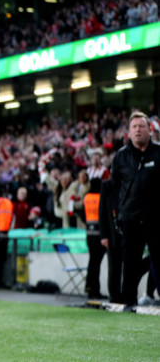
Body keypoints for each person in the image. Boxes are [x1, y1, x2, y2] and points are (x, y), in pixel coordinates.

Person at [110, 111, 160, 310]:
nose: (138, 130)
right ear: (129, 132)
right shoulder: (121, 156)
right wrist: (116, 217)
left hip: (156, 219)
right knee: (129, 264)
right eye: (134, 127)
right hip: (130, 218)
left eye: (141, 126)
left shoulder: (159, 152)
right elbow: (114, 189)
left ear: (149, 129)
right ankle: (128, 303)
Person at [98, 177, 122, 303]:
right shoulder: (107, 186)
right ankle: (114, 295)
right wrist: (104, 235)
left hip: (126, 230)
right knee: (114, 265)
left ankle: (125, 295)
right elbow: (102, 212)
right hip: (112, 233)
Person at [83, 178, 106, 299]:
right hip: (100, 235)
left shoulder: (87, 198)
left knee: (92, 262)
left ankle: (90, 287)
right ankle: (94, 290)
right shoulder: (101, 197)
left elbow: (82, 214)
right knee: (96, 264)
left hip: (89, 234)